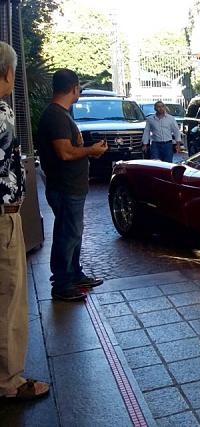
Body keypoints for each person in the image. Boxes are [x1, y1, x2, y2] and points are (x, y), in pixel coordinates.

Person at [0, 41, 50, 400]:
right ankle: (9, 381)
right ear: (8, 73)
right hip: (4, 218)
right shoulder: (2, 112)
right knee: (9, 298)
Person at [36, 69, 108, 301]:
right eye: (79, 88)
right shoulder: (56, 116)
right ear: (74, 88)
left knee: (73, 233)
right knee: (67, 234)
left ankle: (75, 275)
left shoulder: (60, 114)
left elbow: (68, 149)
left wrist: (88, 152)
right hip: (65, 187)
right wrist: (91, 150)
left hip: (72, 187)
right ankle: (62, 284)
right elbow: (65, 152)